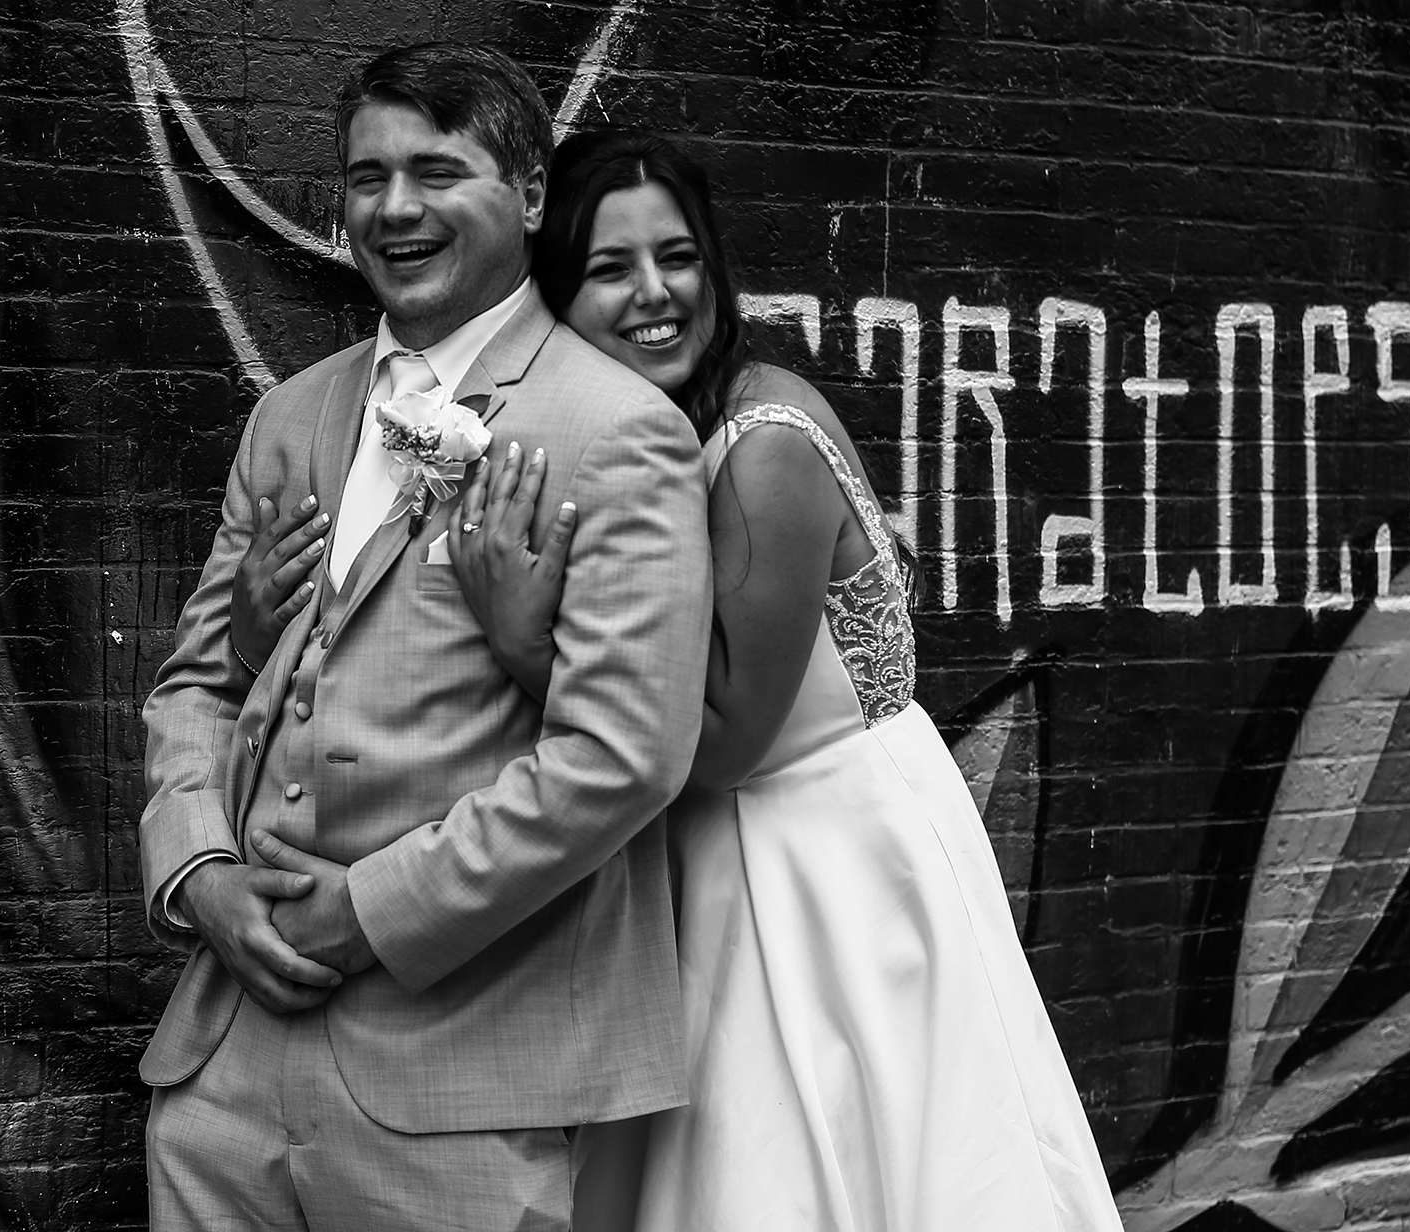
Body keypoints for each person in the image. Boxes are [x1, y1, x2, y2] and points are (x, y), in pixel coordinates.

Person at [462, 128, 1128, 1232]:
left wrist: (520, 635)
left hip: (830, 860)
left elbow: (721, 736)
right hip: (722, 858)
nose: (653, 293)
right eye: (608, 269)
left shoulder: (760, 437)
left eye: (675, 256)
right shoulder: (646, 437)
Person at [134, 48, 712, 1230]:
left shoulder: (616, 432)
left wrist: (373, 910)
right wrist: (201, 873)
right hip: (219, 1075)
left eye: (436, 171)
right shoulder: (288, 415)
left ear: (532, 195)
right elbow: (196, 678)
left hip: (456, 1082)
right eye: (365, 177)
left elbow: (625, 754)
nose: (393, 209)